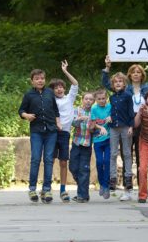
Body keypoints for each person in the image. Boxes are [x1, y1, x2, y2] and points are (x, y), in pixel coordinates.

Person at [103, 55, 148, 185]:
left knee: (140, 155)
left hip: (142, 122)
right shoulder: (124, 88)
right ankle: (127, 185)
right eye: (133, 72)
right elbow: (106, 83)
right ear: (129, 75)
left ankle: (141, 186)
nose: (136, 74)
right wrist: (107, 67)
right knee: (125, 154)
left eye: (138, 72)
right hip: (126, 122)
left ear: (142, 75)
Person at [18, 69, 61, 203]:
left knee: (48, 159)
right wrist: (26, 116)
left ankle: (47, 189)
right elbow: (21, 110)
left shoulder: (50, 93)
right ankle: (32, 189)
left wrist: (58, 123)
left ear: (45, 79)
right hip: (36, 131)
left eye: (42, 78)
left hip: (51, 131)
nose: (40, 80)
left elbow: (55, 110)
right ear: (32, 81)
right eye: (37, 79)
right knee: (36, 159)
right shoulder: (29, 95)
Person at [51, 60, 79, 202]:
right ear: (53, 90)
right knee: (49, 160)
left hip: (65, 133)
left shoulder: (69, 98)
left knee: (63, 162)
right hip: (52, 133)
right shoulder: (50, 100)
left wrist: (65, 71)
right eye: (56, 88)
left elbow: (75, 84)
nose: (59, 89)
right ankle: (47, 188)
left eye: (61, 87)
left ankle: (63, 189)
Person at [106, 72, 135, 201]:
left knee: (127, 153)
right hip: (113, 128)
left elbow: (130, 112)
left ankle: (128, 179)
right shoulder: (111, 97)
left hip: (125, 127)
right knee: (113, 153)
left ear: (124, 84)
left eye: (120, 81)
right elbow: (112, 111)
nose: (118, 83)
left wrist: (131, 126)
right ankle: (113, 179)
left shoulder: (128, 96)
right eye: (115, 82)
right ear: (112, 84)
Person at [69, 92, 96, 203]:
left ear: (93, 101)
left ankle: (82, 195)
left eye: (90, 99)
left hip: (87, 144)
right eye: (86, 99)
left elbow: (97, 127)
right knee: (73, 167)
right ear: (82, 100)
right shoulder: (77, 110)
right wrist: (80, 119)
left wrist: (90, 121)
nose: (88, 101)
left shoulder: (95, 112)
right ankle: (82, 189)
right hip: (76, 142)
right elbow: (73, 123)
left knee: (84, 170)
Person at [90, 89, 112, 199]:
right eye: (99, 99)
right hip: (98, 140)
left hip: (108, 139)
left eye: (103, 98)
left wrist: (111, 117)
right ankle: (102, 183)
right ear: (96, 100)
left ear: (106, 98)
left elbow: (115, 117)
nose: (102, 101)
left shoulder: (110, 107)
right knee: (99, 162)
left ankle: (106, 185)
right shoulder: (94, 109)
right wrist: (101, 126)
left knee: (107, 161)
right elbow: (93, 124)